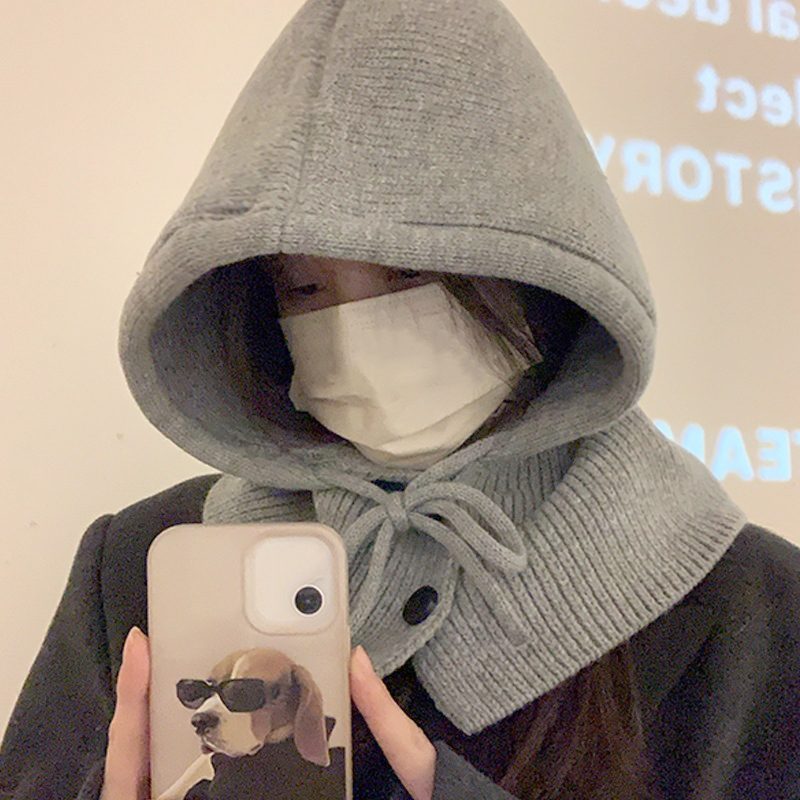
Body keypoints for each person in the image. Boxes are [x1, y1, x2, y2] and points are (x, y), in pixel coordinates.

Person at [2, 0, 799, 798]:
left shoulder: (753, 611)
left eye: (411, 273)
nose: (353, 337)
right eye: (303, 288)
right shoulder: (144, 567)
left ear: (544, 279)